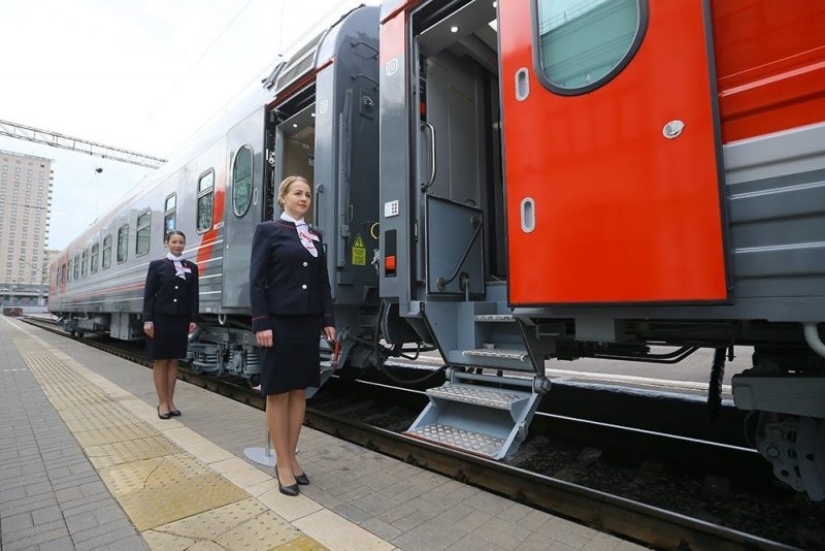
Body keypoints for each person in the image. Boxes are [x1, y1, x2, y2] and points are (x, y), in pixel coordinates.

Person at [249, 175, 335, 496]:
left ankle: (292, 459)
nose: (304, 198)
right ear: (283, 197)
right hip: (278, 322)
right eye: (298, 193)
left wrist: (328, 319)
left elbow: (321, 282)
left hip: (307, 323)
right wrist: (262, 323)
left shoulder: (314, 234)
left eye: (308, 194)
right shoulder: (268, 231)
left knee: (300, 391)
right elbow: (257, 280)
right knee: (279, 392)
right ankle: (282, 463)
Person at [143, 230, 199, 420]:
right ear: (167, 243)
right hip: (160, 319)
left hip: (181, 319)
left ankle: (171, 400)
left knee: (174, 360)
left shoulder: (191, 266)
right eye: (174, 242)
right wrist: (147, 320)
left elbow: (193, 295)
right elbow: (149, 295)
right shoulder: (157, 266)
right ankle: (162, 402)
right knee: (161, 360)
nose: (178, 245)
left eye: (181, 242)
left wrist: (193, 318)